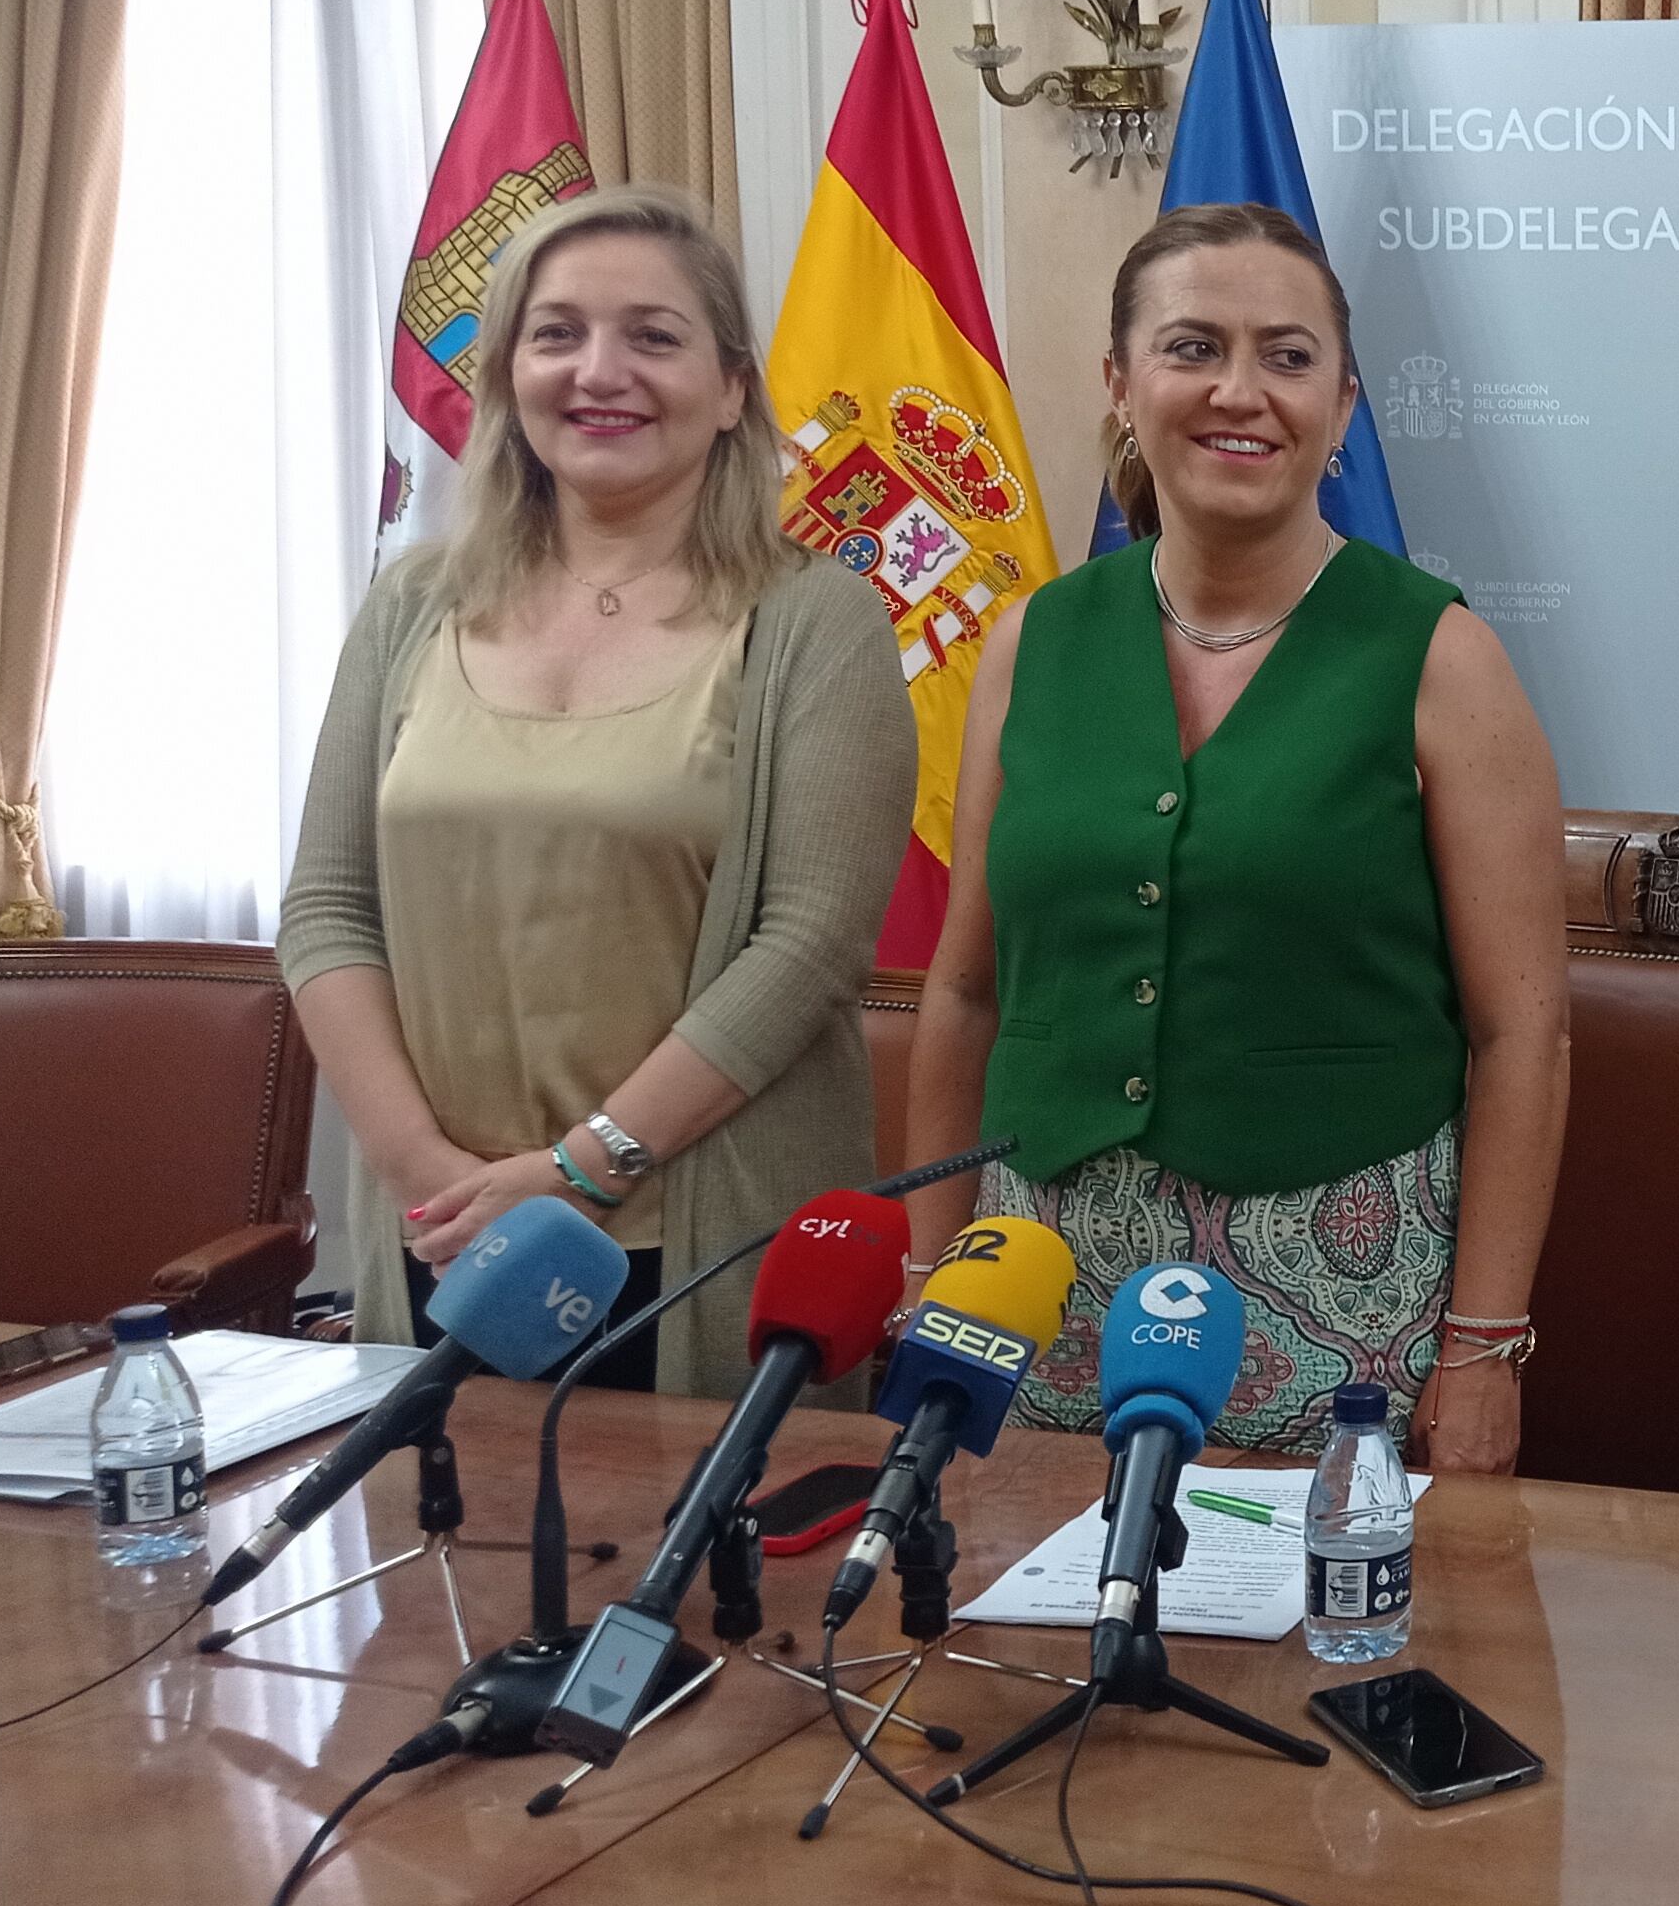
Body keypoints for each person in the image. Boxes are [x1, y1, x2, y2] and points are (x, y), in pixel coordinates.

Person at [905, 202, 1567, 1471]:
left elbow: (1521, 1031)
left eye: (1288, 354)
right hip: (1037, 1285)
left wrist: (1485, 1348)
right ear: (1119, 381)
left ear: (1345, 403)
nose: (1240, 392)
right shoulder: (1027, 643)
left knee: (1314, 1653)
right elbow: (962, 990)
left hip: (1339, 1302)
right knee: (1019, 1650)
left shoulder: (1439, 652)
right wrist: (926, 1280)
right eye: (1192, 346)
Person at [282, 187, 917, 1393]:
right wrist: (423, 1170)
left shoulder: (814, 621)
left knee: (707, 1578)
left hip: (696, 1243)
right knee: (431, 1569)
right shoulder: (411, 606)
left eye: (653, 335)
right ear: (508, 375)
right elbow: (325, 909)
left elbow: (809, 944)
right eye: (556, 331)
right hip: (440, 1227)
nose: (598, 369)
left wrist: (580, 1167)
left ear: (733, 388)